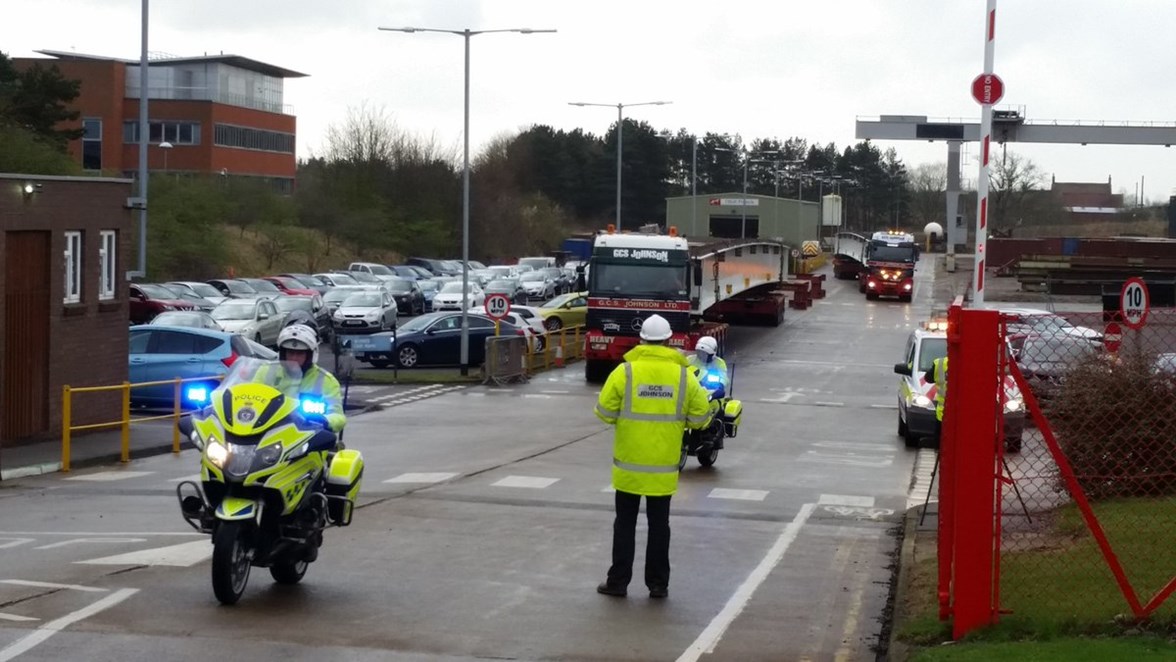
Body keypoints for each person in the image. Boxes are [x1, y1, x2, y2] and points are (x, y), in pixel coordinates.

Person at [593, 314, 714, 599]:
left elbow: (604, 412)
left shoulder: (626, 372)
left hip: (629, 468)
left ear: (642, 339)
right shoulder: (684, 375)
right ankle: (658, 584)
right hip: (663, 469)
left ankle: (618, 582)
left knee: (625, 524)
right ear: (669, 340)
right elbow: (701, 418)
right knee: (660, 526)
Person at [273, 324, 347, 434]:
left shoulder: (326, 381)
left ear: (310, 355)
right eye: (290, 353)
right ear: (283, 354)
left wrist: (325, 420)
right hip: (270, 433)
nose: (294, 358)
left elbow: (338, 416)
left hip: (308, 437)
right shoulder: (267, 372)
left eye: (299, 354)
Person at [926, 355, 948, 445]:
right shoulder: (971, 362)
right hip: (964, 416)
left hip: (942, 414)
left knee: (941, 444)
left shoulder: (940, 363)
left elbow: (928, 378)